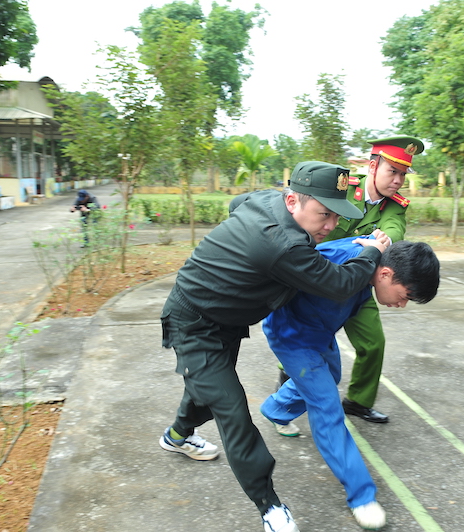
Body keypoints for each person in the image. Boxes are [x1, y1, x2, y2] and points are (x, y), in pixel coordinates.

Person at [158, 161, 391, 532]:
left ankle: (176, 436)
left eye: (337, 215)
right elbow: (340, 284)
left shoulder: (268, 200)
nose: (331, 225)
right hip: (194, 324)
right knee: (232, 409)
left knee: (205, 391)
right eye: (324, 214)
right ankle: (269, 506)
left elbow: (237, 203)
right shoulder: (284, 246)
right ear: (293, 200)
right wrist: (372, 252)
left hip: (225, 320)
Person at [261, 238, 440, 530]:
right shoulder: (339, 258)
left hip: (320, 334)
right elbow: (287, 262)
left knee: (330, 379)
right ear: (386, 274)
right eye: (404, 296)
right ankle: (361, 496)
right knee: (326, 406)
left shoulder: (373, 264)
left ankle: (275, 410)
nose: (402, 305)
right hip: (292, 336)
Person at [277, 136, 425, 425]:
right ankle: (284, 391)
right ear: (373, 166)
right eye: (392, 171)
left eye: (403, 175)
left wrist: (385, 240)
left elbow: (394, 230)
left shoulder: (394, 206)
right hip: (316, 279)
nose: (398, 180)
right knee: (300, 341)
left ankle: (358, 401)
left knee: (373, 343)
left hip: (357, 284)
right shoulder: (342, 190)